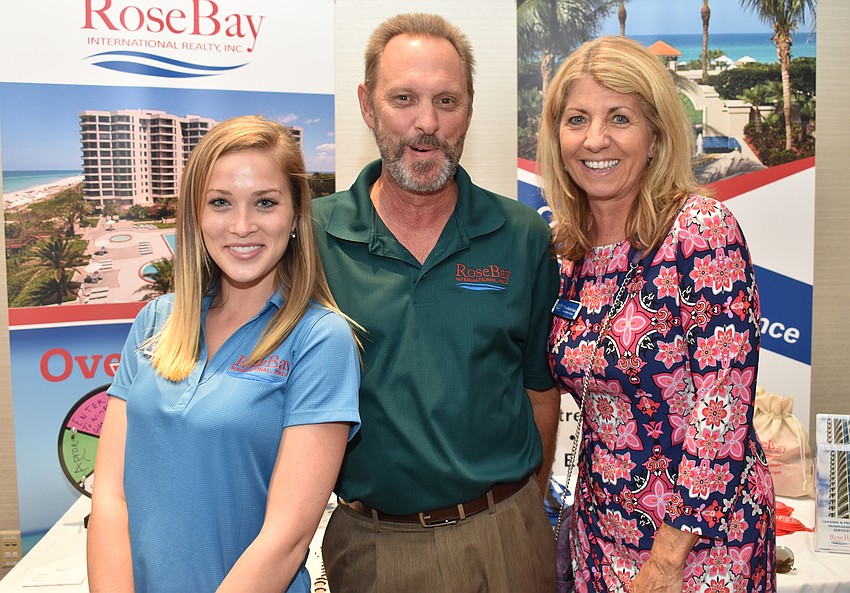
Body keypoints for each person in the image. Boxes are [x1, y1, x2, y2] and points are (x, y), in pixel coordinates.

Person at [313, 12, 560, 593]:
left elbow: (539, 389)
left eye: (447, 101)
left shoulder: (521, 234)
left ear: (470, 107)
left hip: (508, 539)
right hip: (373, 547)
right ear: (368, 105)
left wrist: (521, 510)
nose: (427, 124)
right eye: (404, 98)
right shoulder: (310, 237)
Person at [538, 36, 775, 593]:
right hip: (600, 535)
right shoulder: (567, 248)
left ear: (655, 136)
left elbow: (721, 409)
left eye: (619, 118)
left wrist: (669, 556)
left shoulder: (700, 231)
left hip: (699, 548)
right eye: (576, 119)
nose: (595, 139)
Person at [86, 115, 361, 593]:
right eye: (220, 202)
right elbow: (111, 497)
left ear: (296, 216)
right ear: (196, 215)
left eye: (265, 202)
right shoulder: (155, 322)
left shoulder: (319, 338)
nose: (241, 225)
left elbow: (286, 539)